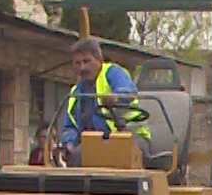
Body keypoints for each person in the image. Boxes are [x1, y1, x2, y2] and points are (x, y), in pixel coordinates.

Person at [58, 37, 147, 166]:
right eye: (77, 63)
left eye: (87, 61)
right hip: (96, 143)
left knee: (121, 156)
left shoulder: (113, 73)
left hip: (130, 136)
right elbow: (70, 127)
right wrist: (69, 143)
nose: (82, 67)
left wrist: (116, 97)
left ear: (99, 60)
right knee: (76, 156)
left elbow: (129, 92)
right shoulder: (75, 94)